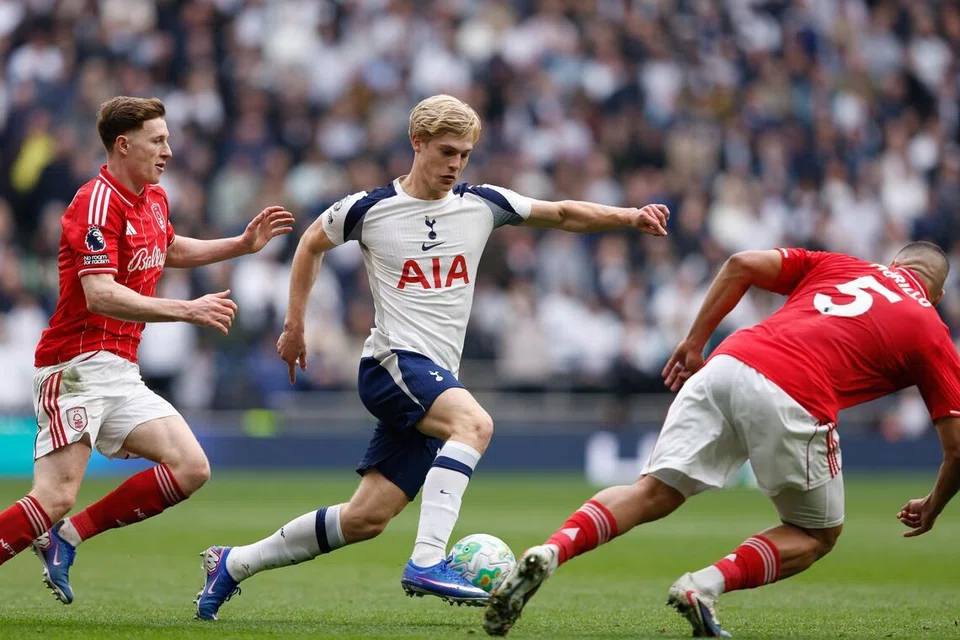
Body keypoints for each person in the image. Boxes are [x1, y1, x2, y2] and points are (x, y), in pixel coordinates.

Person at [193, 94, 671, 620]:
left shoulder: (482, 204)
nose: (455, 164)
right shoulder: (370, 209)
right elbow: (310, 243)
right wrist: (294, 325)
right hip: (392, 364)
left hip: (433, 376)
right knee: (475, 424)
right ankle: (426, 560)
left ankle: (232, 564)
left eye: (464, 154)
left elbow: (560, 213)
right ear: (416, 143)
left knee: (365, 518)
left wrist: (629, 216)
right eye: (446, 151)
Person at [483, 243, 960, 637]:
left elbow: (740, 264)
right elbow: (956, 447)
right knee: (816, 533)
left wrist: (694, 343)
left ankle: (550, 551)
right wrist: (934, 505)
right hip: (797, 393)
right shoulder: (931, 331)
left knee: (650, 491)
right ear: (935, 295)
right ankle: (702, 585)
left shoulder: (843, 265)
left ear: (894, 264)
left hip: (730, 361)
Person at [0, 96, 294, 605]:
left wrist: (240, 245)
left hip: (119, 371)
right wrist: (186, 309)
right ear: (123, 144)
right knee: (54, 496)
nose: (169, 151)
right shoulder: (94, 202)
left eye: (168, 139)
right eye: (158, 140)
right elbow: (100, 292)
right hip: (74, 366)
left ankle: (66, 539)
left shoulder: (153, 198)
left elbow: (169, 246)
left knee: (190, 467)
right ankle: (55, 526)